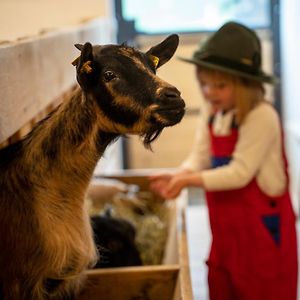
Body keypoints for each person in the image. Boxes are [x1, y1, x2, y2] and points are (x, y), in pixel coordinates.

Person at [149, 21, 298, 300]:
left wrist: (187, 181)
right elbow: (201, 155)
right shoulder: (215, 112)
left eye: (220, 85)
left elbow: (239, 173)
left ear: (246, 85)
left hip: (262, 237)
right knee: (223, 286)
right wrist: (180, 173)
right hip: (227, 239)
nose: (209, 92)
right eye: (204, 84)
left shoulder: (261, 116)